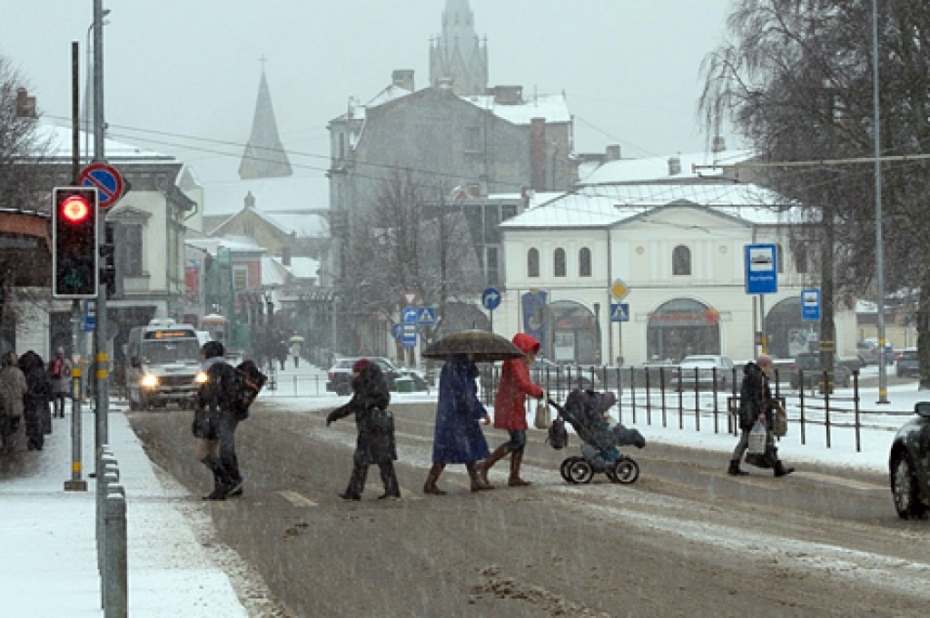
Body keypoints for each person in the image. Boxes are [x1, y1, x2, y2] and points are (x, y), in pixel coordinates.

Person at [326, 358, 400, 500]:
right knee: (380, 460)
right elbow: (354, 404)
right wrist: (335, 415)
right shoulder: (369, 383)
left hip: (372, 427)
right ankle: (389, 490)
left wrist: (366, 404)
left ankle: (356, 491)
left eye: (355, 372)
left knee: (366, 460)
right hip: (376, 427)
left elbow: (380, 400)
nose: (352, 374)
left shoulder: (369, 384)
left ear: (361, 372)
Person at [479, 333, 545, 487]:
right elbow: (521, 383)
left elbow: (523, 383)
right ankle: (485, 465)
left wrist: (535, 391)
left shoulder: (520, 362)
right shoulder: (514, 361)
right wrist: (538, 392)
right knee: (518, 440)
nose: (532, 353)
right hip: (509, 405)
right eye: (530, 349)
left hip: (515, 404)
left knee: (520, 441)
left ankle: (514, 475)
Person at [423, 354, 494, 495]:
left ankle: (474, 481)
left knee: (465, 449)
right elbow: (466, 395)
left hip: (453, 414)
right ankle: (430, 483)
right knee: (453, 449)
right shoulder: (460, 369)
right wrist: (481, 411)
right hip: (458, 415)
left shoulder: (455, 367)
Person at [193, 340, 245, 500]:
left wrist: (202, 411)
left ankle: (226, 482)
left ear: (207, 354)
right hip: (229, 414)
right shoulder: (227, 368)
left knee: (204, 453)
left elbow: (208, 396)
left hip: (217, 415)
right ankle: (233, 483)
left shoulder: (211, 370)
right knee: (220, 450)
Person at [729, 354, 795, 478]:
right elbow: (759, 397)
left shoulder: (752, 375)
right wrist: (761, 412)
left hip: (748, 414)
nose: (770, 369)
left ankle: (734, 465)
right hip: (755, 415)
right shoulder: (759, 377)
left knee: (745, 440)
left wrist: (774, 405)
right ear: (764, 365)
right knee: (768, 440)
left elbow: (758, 396)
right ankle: (777, 467)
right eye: (770, 366)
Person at [19, 351, 52, 451]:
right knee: (39, 420)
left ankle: (32, 440)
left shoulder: (25, 372)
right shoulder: (41, 371)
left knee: (31, 421)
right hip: (41, 400)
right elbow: (48, 386)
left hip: (30, 400)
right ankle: (39, 440)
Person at [0, 351, 27, 453]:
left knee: (5, 424)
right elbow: (24, 388)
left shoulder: (2, 373)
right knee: (15, 423)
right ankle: (11, 443)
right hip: (16, 402)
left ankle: (7, 443)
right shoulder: (19, 373)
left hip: (4, 402)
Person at [49, 347, 71, 418]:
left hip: (55, 382)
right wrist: (68, 378)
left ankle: (56, 412)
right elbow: (70, 370)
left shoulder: (53, 361)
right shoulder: (66, 361)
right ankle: (62, 413)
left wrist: (50, 378)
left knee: (55, 400)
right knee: (62, 399)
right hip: (63, 382)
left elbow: (49, 371)